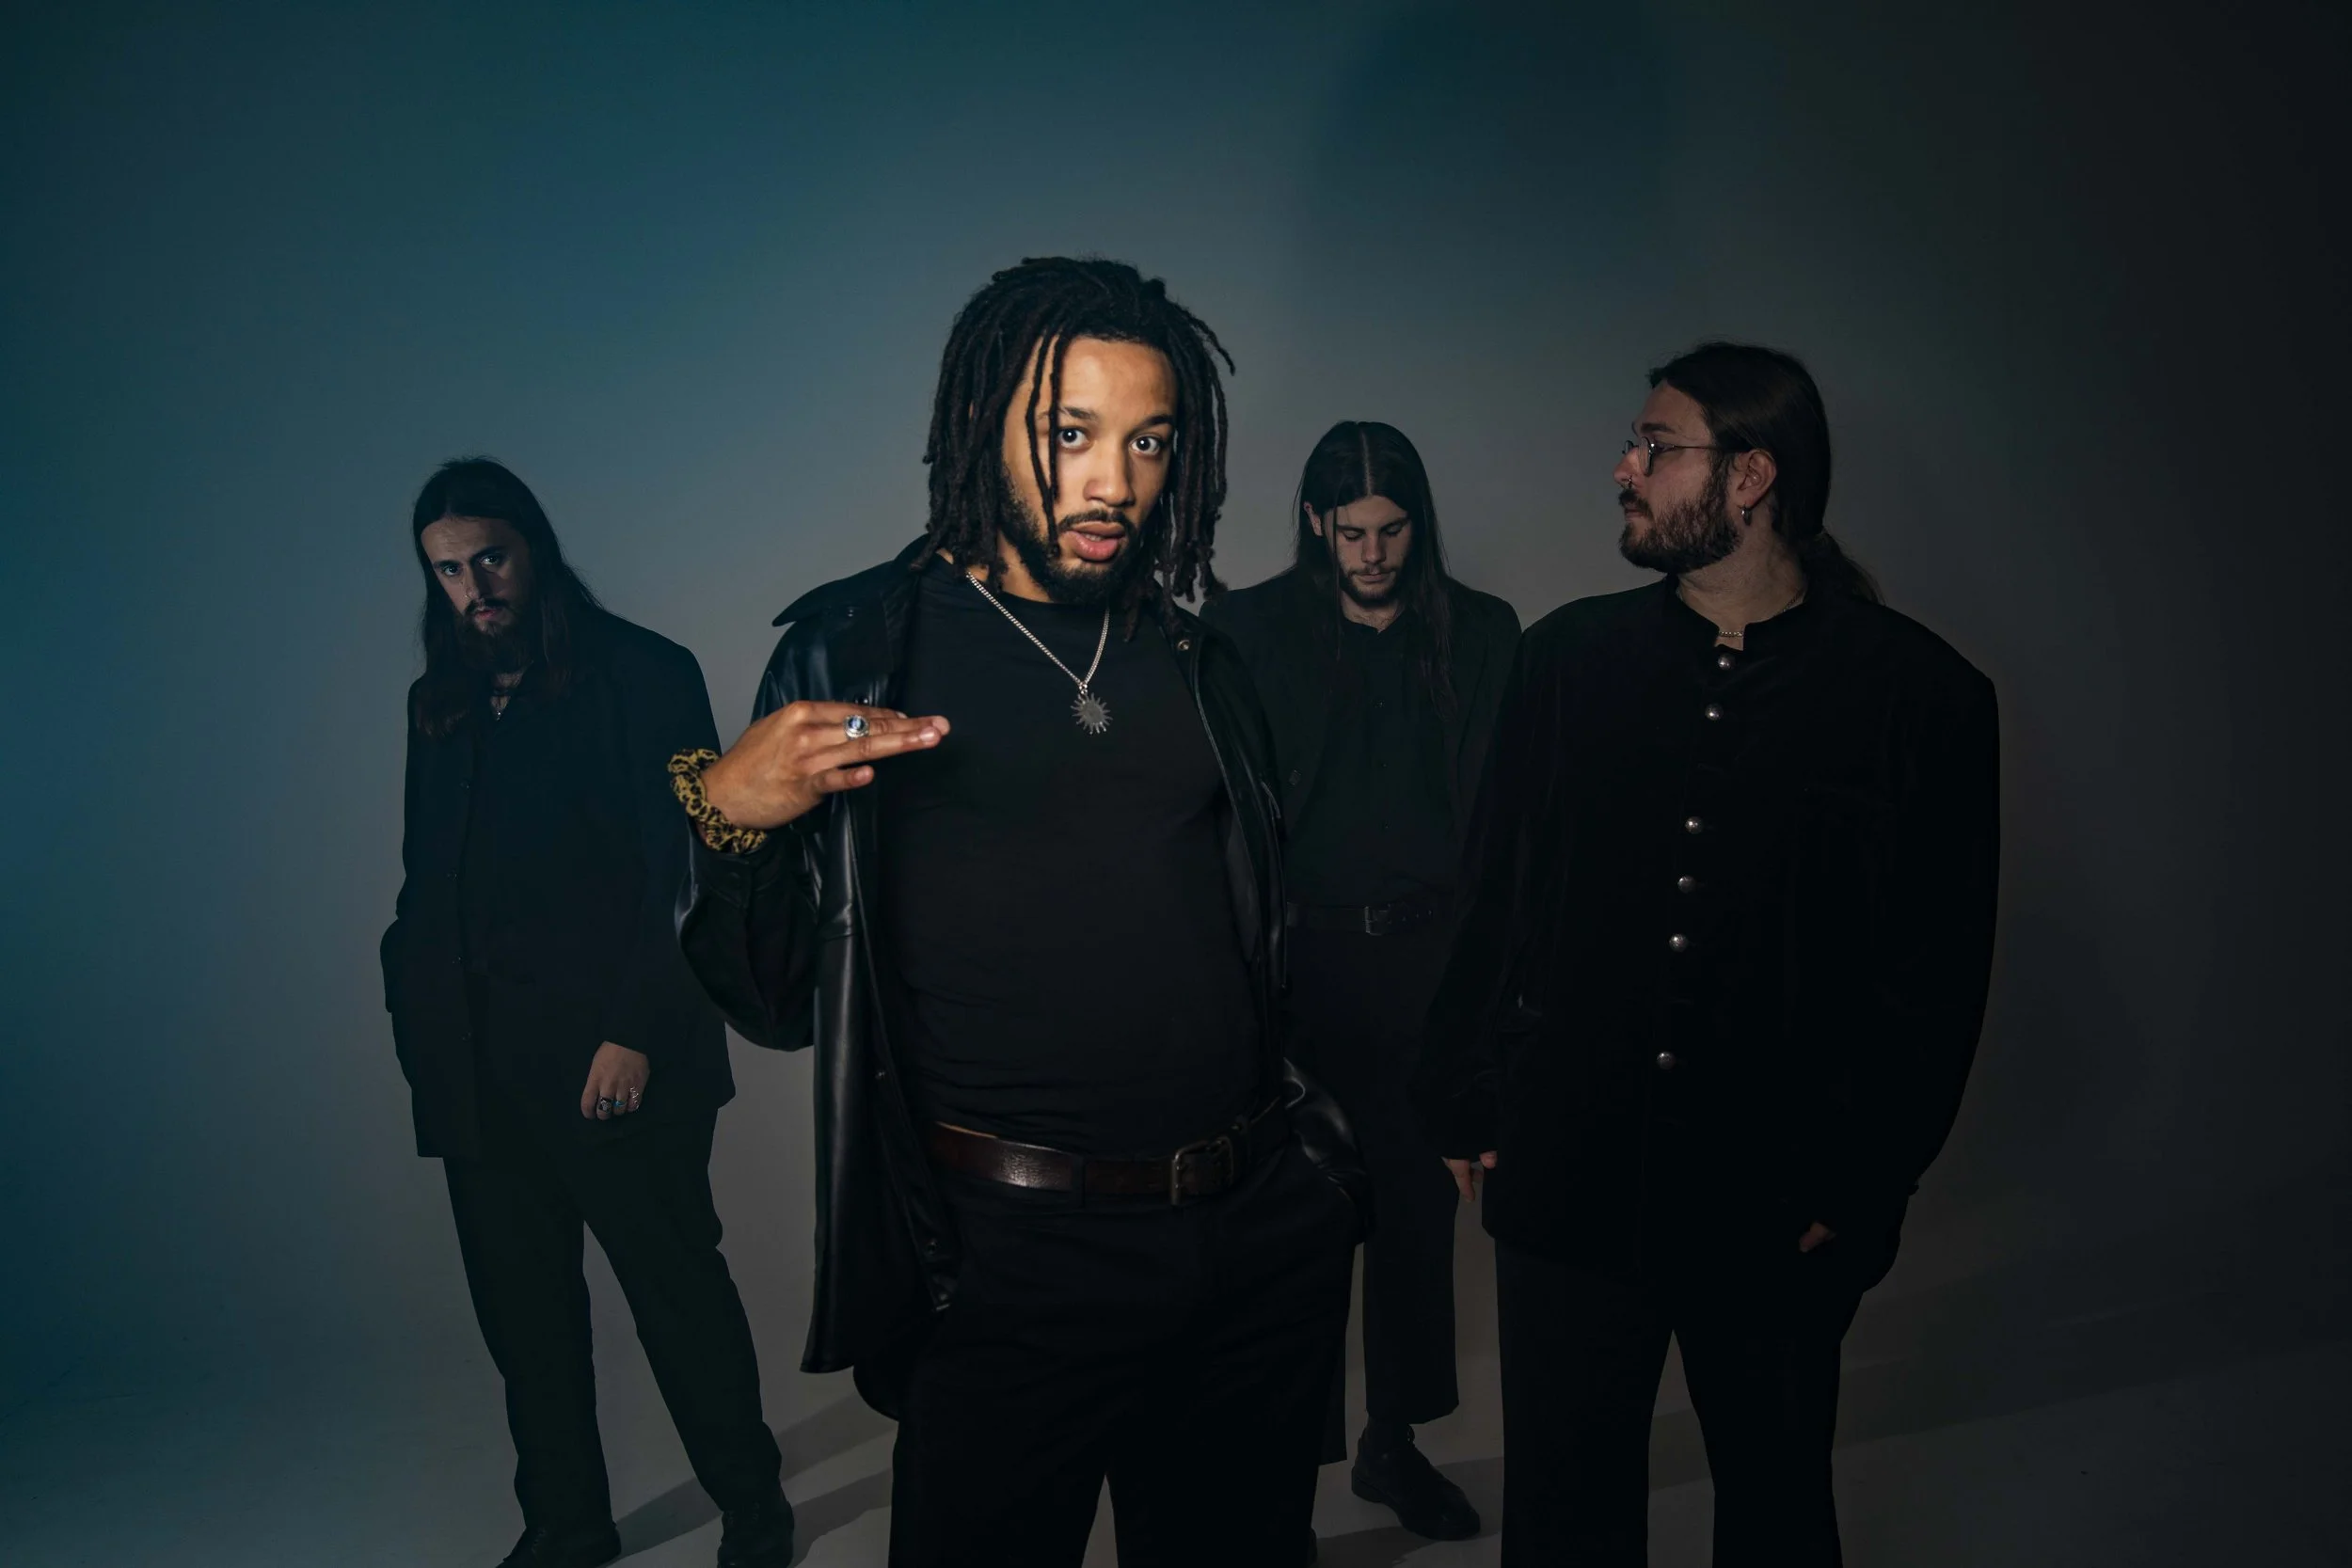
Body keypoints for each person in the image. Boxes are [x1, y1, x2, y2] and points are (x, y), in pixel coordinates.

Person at [670, 257, 1366, 1568]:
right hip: (1007, 1261)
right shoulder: (857, 647)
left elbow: (1270, 933)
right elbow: (766, 997)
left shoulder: (1199, 659)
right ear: (982, 422)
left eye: (1150, 440)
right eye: (1070, 433)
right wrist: (728, 817)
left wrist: (1316, 1180)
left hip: (1248, 1236)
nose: (1114, 482)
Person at [1416, 344, 1999, 1565]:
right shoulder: (1567, 659)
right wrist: (1468, 1101)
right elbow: (1496, 898)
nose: (1623, 470)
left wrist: (1858, 1184)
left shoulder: (1921, 697)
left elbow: (1933, 980)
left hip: (1775, 1196)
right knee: (1566, 1522)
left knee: (1779, 1512)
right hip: (1572, 1173)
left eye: (1655, 446)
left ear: (1751, 476)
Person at [380, 458, 793, 1568]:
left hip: (619, 1056)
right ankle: (566, 1523)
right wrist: (420, 1031)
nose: (474, 587)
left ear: (536, 547)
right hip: (478, 1071)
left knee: (676, 1296)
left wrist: (637, 1030)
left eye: (490, 557)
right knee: (527, 1323)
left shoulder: (644, 672)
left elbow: (687, 867)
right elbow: (426, 881)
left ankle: (754, 1504)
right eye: (449, 570)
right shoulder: (442, 702)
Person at [1203, 420, 1518, 1540]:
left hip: (1429, 965)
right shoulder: (1245, 629)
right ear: (1313, 523)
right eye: (1353, 531)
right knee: (1290, 1228)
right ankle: (1281, 1468)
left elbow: (1502, 825)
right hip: (1293, 968)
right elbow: (1212, 813)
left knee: (1415, 1220)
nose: (1375, 553)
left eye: (1393, 531)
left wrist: (1490, 1002)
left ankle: (1392, 1442)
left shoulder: (1479, 631)